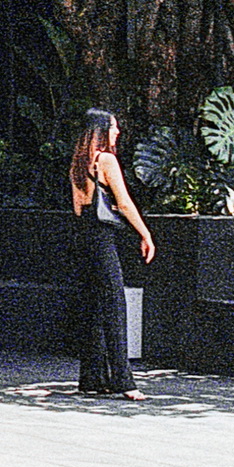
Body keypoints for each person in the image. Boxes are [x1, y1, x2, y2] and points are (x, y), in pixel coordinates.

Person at [69, 107, 154, 399]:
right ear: (101, 131)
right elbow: (125, 202)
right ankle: (123, 380)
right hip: (102, 238)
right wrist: (145, 234)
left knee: (93, 308)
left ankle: (92, 377)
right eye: (113, 127)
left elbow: (78, 207)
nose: (117, 132)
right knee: (115, 306)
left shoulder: (78, 162)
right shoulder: (106, 160)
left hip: (83, 236)